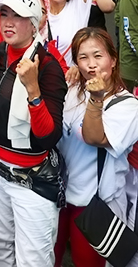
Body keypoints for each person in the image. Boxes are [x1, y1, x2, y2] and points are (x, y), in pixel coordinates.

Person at [0, 0, 67, 266]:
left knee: (34, 259)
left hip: (32, 180)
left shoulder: (48, 66)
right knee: (0, 243)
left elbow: (48, 137)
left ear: (34, 24)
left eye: (18, 16)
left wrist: (33, 88)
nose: (8, 22)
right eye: (4, 14)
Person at [55, 27, 138, 267]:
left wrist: (97, 98)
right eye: (83, 57)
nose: (91, 64)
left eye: (98, 56)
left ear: (113, 60)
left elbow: (95, 138)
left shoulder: (128, 106)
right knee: (51, 257)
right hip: (60, 197)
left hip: (96, 203)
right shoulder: (72, 90)